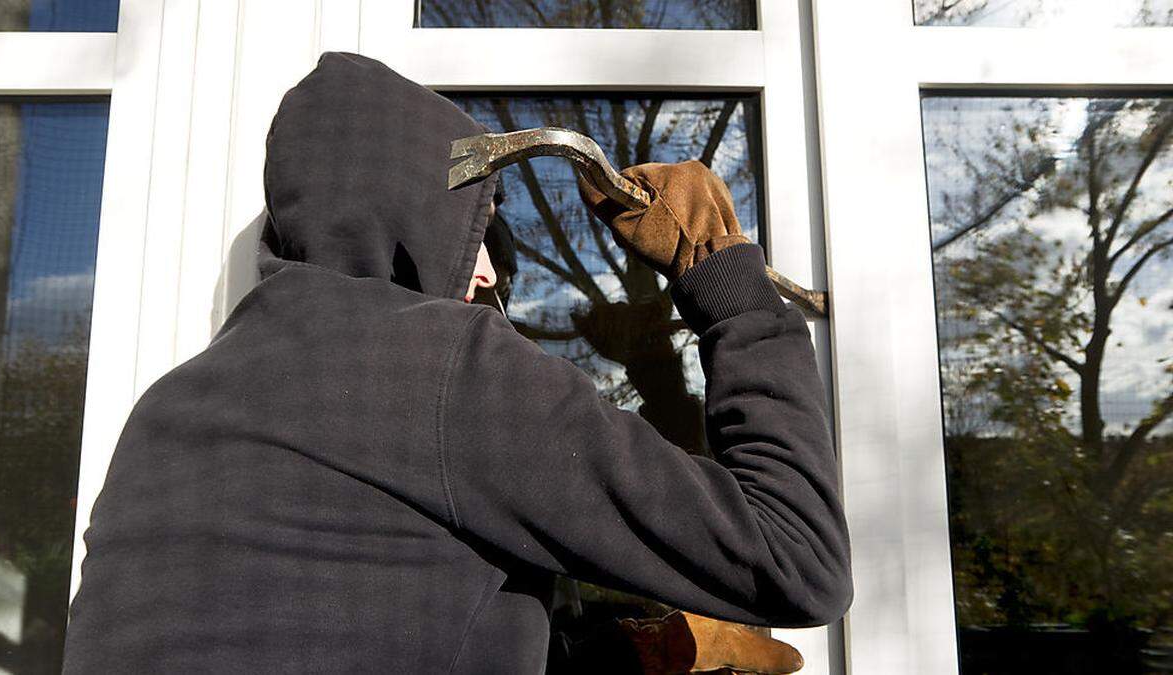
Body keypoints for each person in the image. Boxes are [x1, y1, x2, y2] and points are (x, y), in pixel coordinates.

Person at [63, 52, 852, 673]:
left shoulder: (169, 409)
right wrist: (735, 292)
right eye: (476, 233)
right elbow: (796, 557)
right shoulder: (433, 364)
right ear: (406, 212)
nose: (488, 273)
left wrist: (620, 653)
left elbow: (356, 632)